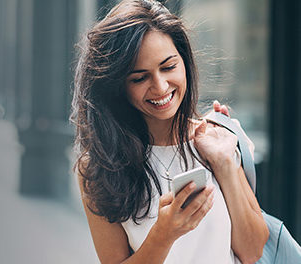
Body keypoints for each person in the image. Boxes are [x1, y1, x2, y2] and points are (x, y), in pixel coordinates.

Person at [70, 0, 269, 263]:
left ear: (184, 61)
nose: (161, 87)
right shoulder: (99, 168)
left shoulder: (216, 139)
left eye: (168, 67)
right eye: (140, 78)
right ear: (118, 86)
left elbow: (253, 250)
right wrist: (164, 234)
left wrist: (224, 164)